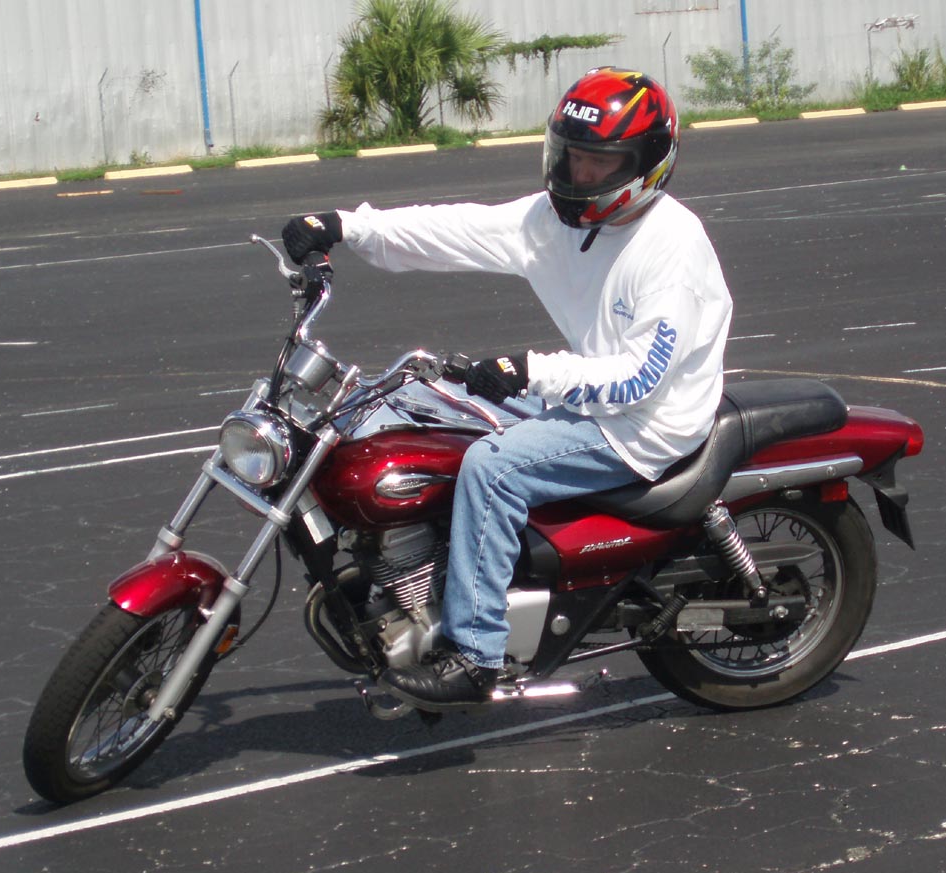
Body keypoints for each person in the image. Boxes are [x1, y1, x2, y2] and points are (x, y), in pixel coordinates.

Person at [281, 67, 733, 711]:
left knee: (491, 469)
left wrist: (529, 370)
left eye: (599, 162)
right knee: (409, 407)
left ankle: (476, 656)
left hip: (644, 424)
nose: (579, 173)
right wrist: (347, 227)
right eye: (572, 156)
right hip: (583, 395)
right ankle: (417, 582)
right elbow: (460, 229)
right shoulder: (555, 221)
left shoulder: (670, 248)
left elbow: (640, 377)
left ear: (646, 163)